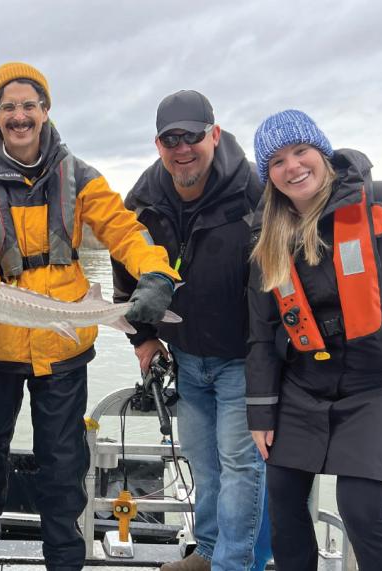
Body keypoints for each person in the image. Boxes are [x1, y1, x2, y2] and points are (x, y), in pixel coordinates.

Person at [0, 61, 180, 571]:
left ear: (45, 110)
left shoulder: (79, 175)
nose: (19, 115)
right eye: (8, 106)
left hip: (66, 344)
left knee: (62, 463)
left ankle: (64, 561)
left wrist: (155, 272)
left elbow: (124, 231)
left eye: (28, 104)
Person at [247, 110, 382, 571]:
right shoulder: (265, 239)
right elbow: (260, 334)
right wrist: (260, 411)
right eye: (276, 161)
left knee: (361, 509)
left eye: (301, 151)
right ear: (268, 176)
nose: (292, 167)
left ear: (322, 151)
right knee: (281, 493)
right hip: (305, 382)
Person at [112, 90, 271, 571]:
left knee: (241, 465)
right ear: (158, 144)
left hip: (244, 357)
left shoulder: (253, 188)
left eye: (193, 136)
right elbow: (125, 271)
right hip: (186, 358)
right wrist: (141, 337)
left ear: (214, 134)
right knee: (204, 463)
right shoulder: (143, 198)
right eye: (170, 138)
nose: (182, 148)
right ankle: (206, 551)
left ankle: (233, 562)